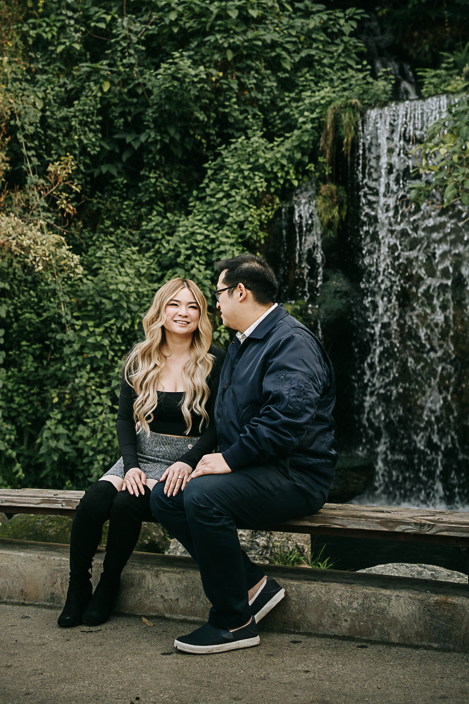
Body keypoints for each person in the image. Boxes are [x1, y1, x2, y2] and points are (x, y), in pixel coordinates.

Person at [150, 253, 337, 654]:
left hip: (296, 474)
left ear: (240, 291)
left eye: (218, 293)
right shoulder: (242, 344)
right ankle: (253, 585)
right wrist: (193, 460)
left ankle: (234, 621)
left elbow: (287, 420)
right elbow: (223, 415)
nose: (214, 304)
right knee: (166, 496)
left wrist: (229, 459)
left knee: (202, 496)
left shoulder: (291, 342)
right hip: (257, 467)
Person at [58, 277, 224, 628]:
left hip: (182, 463)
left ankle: (109, 583)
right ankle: (78, 586)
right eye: (174, 304)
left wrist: (187, 462)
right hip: (139, 456)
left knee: (126, 505)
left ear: (201, 314)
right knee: (93, 501)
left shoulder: (215, 361)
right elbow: (123, 419)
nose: (183, 312)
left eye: (192, 306)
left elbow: (219, 425)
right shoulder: (141, 357)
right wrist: (130, 466)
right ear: (161, 310)